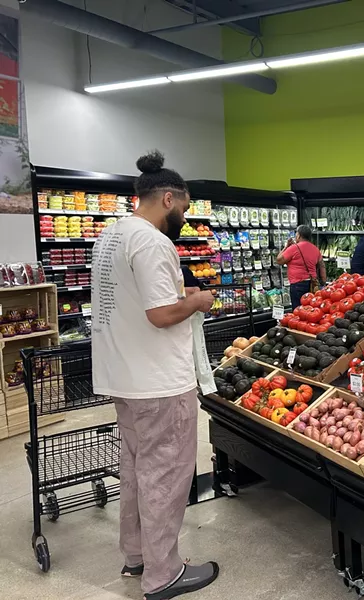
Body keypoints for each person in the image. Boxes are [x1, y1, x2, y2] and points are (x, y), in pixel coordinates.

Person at [91, 151, 219, 600]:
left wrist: (177, 295)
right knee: (166, 475)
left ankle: (136, 556)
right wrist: (198, 301)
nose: (183, 218)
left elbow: (133, 301)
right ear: (168, 198)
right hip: (159, 382)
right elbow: (162, 314)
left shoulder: (110, 236)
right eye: (183, 209)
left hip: (123, 377)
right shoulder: (152, 242)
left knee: (138, 470)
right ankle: (164, 574)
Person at [276, 224, 326, 308]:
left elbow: (279, 260)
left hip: (298, 284)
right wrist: (323, 282)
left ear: (298, 235)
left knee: (298, 311)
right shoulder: (315, 249)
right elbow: (322, 266)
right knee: (311, 308)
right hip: (312, 284)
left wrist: (286, 247)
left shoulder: (294, 248)